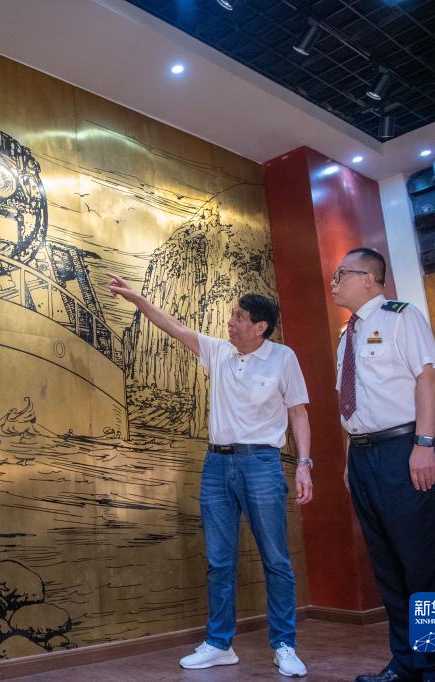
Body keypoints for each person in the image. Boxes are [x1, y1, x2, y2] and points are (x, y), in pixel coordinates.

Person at [109, 274, 313, 678]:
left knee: (275, 559)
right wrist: (138, 299)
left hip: (261, 463)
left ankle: (284, 645)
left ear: (260, 327)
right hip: (216, 465)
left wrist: (305, 463)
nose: (230, 322)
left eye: (239, 317)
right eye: (232, 315)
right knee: (220, 561)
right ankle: (220, 644)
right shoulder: (218, 351)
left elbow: (298, 413)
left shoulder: (283, 358)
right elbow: (173, 326)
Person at [330, 248, 435, 682]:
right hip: (363, 455)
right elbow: (355, 404)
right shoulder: (346, 335)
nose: (334, 283)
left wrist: (423, 442)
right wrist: (351, 458)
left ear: (368, 278)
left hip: (404, 449)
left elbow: (428, 378)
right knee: (388, 566)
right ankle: (405, 663)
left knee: (427, 565)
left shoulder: (402, 317)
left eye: (341, 275)